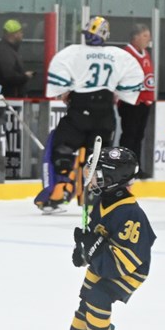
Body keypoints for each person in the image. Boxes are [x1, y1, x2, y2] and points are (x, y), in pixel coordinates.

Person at [38, 147, 156, 330]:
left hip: (129, 269)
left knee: (98, 296)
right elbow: (97, 236)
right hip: (104, 260)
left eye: (97, 174)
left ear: (112, 178)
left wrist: (93, 249)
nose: (90, 178)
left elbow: (127, 257)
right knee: (86, 298)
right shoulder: (102, 201)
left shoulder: (130, 213)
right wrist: (83, 250)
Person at [34, 17, 144, 213]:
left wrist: (66, 91)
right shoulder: (118, 56)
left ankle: (60, 192)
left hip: (80, 111)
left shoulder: (74, 53)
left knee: (62, 148)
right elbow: (132, 83)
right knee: (98, 158)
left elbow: (60, 81)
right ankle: (97, 198)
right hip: (105, 114)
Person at [117, 24, 155, 164]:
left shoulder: (145, 53)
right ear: (135, 37)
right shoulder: (126, 53)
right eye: (145, 35)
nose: (148, 39)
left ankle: (135, 166)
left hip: (144, 101)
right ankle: (124, 165)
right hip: (131, 101)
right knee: (129, 134)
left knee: (139, 135)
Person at [0, 18, 31, 98]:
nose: (22, 34)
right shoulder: (4, 52)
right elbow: (9, 76)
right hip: (8, 100)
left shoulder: (8, 50)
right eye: (20, 32)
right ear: (14, 34)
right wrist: (25, 77)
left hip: (9, 98)